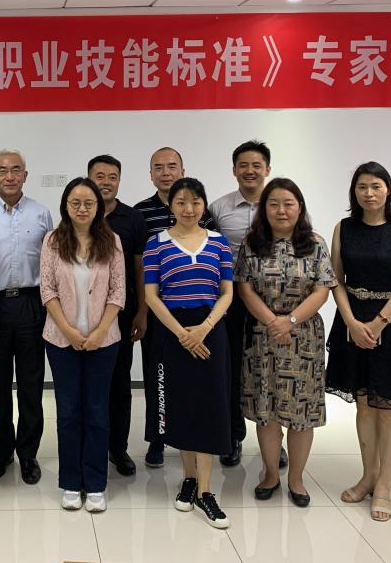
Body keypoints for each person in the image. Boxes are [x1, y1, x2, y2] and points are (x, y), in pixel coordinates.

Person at [325, 162, 391, 522]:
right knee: (364, 406)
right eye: (362, 187)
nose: (369, 193)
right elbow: (335, 279)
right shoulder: (344, 228)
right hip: (351, 323)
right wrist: (352, 322)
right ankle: (368, 476)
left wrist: (378, 323)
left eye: (376, 186)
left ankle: (384, 485)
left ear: (388, 190)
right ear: (354, 192)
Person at [236, 178, 336, 507]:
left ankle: (296, 478)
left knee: (301, 411)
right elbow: (244, 288)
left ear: (300, 208)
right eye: (274, 204)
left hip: (302, 338)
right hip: (262, 336)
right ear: (264, 209)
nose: (281, 210)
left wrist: (289, 321)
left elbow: (322, 289)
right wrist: (272, 321)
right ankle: (270, 474)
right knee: (266, 411)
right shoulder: (252, 243)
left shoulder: (315, 244)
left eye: (288, 204)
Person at [143, 177, 233, 529]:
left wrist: (204, 329)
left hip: (210, 330)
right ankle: (190, 479)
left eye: (195, 202)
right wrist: (182, 333)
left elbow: (227, 292)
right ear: (171, 205)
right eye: (181, 202)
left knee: (209, 405)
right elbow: (152, 295)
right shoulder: (156, 244)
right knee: (180, 405)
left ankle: (206, 492)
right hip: (173, 333)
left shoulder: (218, 242)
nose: (189, 208)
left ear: (203, 205)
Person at [41, 178, 125, 512]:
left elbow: (118, 291)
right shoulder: (52, 241)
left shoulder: (112, 241)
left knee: (97, 411)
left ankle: (96, 482)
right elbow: (47, 289)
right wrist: (69, 331)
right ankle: (71, 482)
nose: (82, 208)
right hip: (61, 340)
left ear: (98, 207)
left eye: (89, 203)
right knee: (69, 411)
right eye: (75, 202)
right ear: (65, 206)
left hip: (104, 341)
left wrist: (100, 331)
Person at [134, 147, 217, 469]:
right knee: (158, 376)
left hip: (200, 313)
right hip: (159, 312)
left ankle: (208, 437)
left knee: (200, 380)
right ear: (150, 174)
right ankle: (158, 438)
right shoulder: (141, 212)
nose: (165, 172)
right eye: (158, 167)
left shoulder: (203, 211)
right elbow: (141, 268)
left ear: (182, 170)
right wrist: (143, 311)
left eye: (172, 166)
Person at [0, 149, 53, 484]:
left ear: (25, 175)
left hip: (32, 303)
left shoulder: (41, 214)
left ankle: (28, 454)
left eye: (16, 170)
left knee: (32, 384)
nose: (9, 176)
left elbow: (50, 264)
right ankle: (1, 452)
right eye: (3, 170)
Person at [209, 140, 285, 469]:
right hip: (231, 301)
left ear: (267, 169)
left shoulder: (281, 205)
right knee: (232, 368)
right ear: (234, 170)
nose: (250, 171)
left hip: (275, 302)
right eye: (243, 165)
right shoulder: (218, 208)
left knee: (274, 369)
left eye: (256, 165)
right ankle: (233, 436)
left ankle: (275, 441)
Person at [87, 154, 149, 477]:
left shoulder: (132, 218)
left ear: (119, 181)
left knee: (119, 382)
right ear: (89, 178)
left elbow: (140, 267)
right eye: (100, 176)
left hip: (122, 313)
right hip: (84, 314)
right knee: (89, 383)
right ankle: (91, 445)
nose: (106, 182)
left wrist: (142, 310)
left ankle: (118, 448)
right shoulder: (79, 213)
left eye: (112, 176)